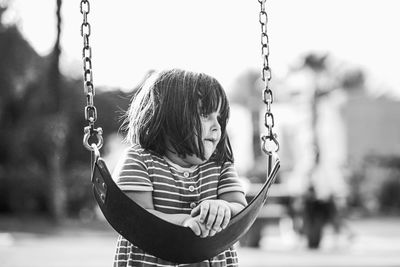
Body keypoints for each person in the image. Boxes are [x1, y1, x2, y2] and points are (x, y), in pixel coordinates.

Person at [112, 69, 247, 267]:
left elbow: (241, 209)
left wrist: (224, 207)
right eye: (204, 114)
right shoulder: (139, 160)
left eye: (220, 117)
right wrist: (184, 222)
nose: (217, 126)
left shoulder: (220, 166)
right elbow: (137, 217)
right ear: (168, 115)